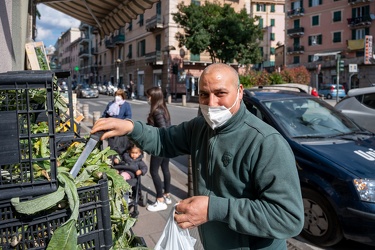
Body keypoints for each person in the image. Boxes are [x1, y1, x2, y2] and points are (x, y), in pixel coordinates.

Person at [91, 63, 304, 250]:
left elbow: (288, 218)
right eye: (204, 94)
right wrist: (130, 127)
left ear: (239, 92)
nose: (211, 103)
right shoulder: (201, 126)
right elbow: (164, 140)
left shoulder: (266, 142)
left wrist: (213, 208)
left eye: (220, 93)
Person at [145, 87, 172, 212]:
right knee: (165, 169)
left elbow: (162, 129)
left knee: (154, 171)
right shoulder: (163, 109)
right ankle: (167, 194)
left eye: (149, 96)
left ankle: (160, 199)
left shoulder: (157, 111)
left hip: (159, 146)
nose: (148, 99)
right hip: (166, 146)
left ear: (154, 97)